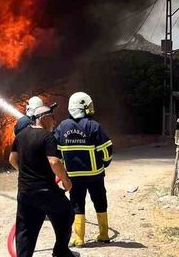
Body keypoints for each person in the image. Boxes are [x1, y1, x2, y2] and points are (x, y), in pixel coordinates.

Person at [9, 104, 76, 257]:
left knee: (25, 230)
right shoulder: (48, 137)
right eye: (52, 118)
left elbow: (12, 159)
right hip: (46, 192)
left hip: (25, 192)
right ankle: (61, 251)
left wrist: (25, 171)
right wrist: (66, 180)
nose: (54, 122)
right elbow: (54, 162)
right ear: (44, 118)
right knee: (66, 214)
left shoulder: (20, 136)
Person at [54, 92, 113, 247]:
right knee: (100, 201)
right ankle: (104, 234)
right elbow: (106, 149)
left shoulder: (62, 127)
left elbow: (56, 152)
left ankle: (79, 239)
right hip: (95, 175)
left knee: (77, 205)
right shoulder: (93, 125)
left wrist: (62, 171)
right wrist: (105, 163)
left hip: (73, 175)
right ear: (83, 107)